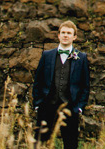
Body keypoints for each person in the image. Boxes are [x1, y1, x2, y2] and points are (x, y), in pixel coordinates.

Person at [32, 20, 90, 149]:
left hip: (70, 108)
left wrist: (79, 107)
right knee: (39, 143)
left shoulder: (81, 57)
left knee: (70, 144)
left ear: (74, 37)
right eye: (63, 32)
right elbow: (38, 81)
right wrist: (38, 103)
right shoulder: (47, 55)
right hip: (47, 106)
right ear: (58, 35)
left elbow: (85, 86)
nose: (65, 35)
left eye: (69, 33)